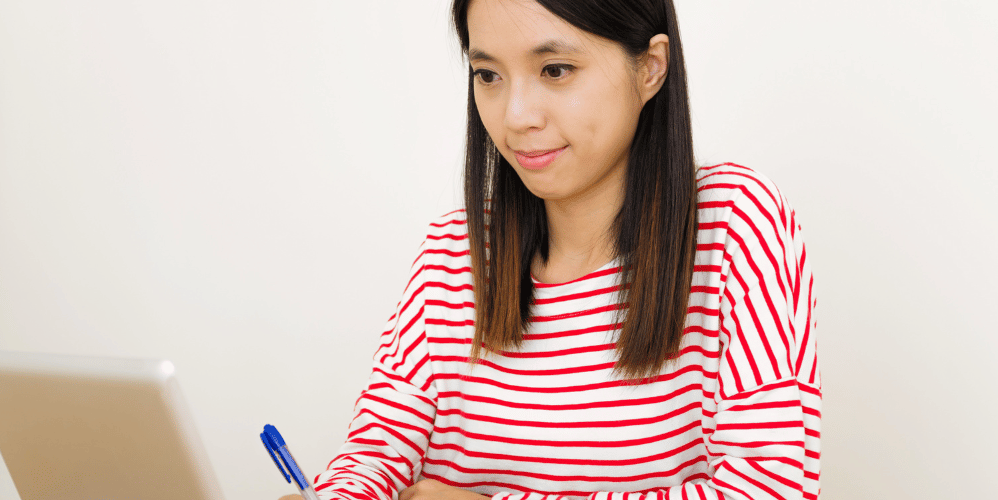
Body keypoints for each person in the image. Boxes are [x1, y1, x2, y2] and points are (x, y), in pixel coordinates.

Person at [282, 0, 819, 498]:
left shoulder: (732, 225)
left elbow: (770, 488)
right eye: (488, 75)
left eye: (555, 70)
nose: (516, 116)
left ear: (650, 68)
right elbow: (372, 456)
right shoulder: (453, 253)